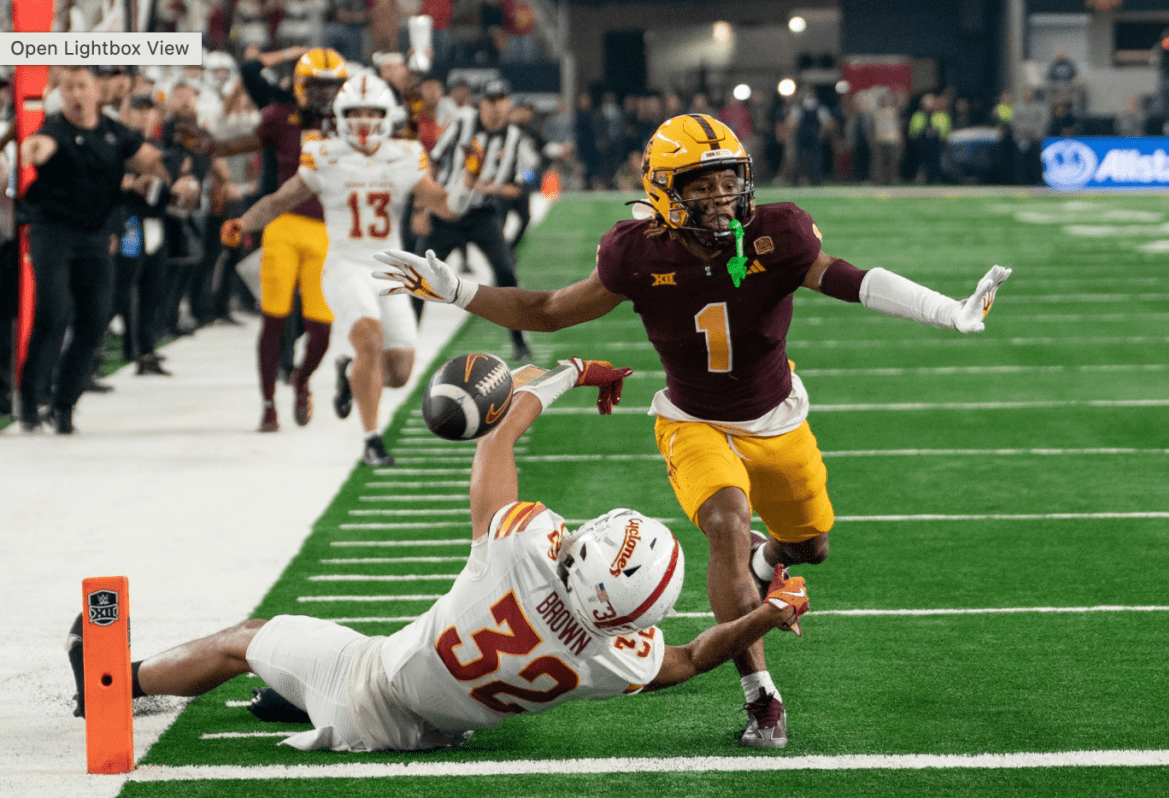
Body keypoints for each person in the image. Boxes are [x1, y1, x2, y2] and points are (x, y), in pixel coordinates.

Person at [373, 113, 1012, 747]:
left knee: (811, 545)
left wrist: (946, 311)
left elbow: (851, 279)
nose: (721, 196)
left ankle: (769, 559)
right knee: (727, 522)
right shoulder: (634, 252)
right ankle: (762, 697)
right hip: (693, 420)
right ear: (663, 191)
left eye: (729, 179)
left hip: (777, 417)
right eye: (700, 185)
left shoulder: (778, 232)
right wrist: (455, 290)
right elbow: (546, 310)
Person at [67, 356, 812, 751]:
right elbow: (698, 655)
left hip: (375, 691)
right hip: (442, 726)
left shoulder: (520, 548)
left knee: (246, 639)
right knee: (319, 669)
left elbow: (499, 432)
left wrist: (575, 370)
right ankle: (289, 694)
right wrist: (766, 613)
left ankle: (114, 680)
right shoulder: (619, 655)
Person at [222, 74, 475, 466]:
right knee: (370, 339)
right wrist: (245, 223)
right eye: (354, 112)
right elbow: (280, 199)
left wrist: (468, 182)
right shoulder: (325, 154)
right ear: (340, 116)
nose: (363, 120)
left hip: (391, 270)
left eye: (371, 111)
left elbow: (444, 205)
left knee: (399, 371)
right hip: (344, 264)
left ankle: (348, 371)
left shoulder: (405, 154)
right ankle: (372, 439)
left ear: (385, 115)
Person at [180, 48, 348, 433]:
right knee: (274, 319)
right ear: (300, 86)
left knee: (321, 331)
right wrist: (210, 146)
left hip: (328, 231)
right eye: (316, 88)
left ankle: (302, 379)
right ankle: (269, 404)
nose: (323, 97)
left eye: (330, 88)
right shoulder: (280, 115)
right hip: (283, 223)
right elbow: (246, 142)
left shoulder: (352, 120)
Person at [18, 65, 189, 434]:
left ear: (96, 92)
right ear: (61, 94)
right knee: (53, 313)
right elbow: (41, 146)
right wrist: (32, 150)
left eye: (82, 87)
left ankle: (64, 405)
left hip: (95, 237)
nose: (76, 94)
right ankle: (30, 400)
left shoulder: (114, 134)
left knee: (94, 321)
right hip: (53, 234)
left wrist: (174, 176)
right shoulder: (56, 128)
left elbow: (153, 162)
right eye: (68, 88)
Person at [421, 78, 534, 361]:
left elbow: (518, 187)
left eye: (501, 101)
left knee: (506, 272)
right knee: (418, 275)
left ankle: (519, 342)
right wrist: (422, 208)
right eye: (489, 101)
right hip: (446, 211)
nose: (495, 108)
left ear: (509, 104)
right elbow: (432, 163)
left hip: (483, 214)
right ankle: (404, 342)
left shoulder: (515, 137)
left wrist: (491, 188)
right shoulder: (461, 125)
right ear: (480, 103)